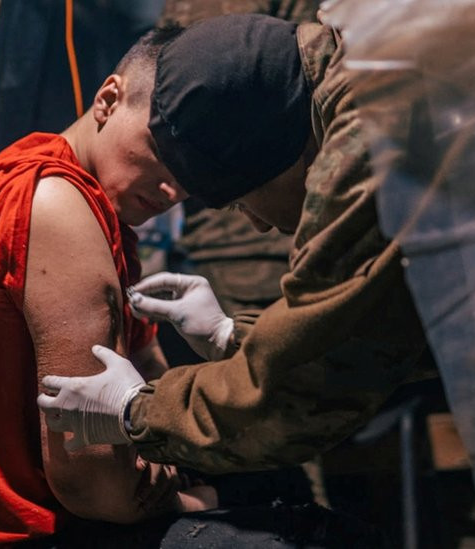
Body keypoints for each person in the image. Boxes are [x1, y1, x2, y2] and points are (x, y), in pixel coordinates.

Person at [38, 14, 434, 473]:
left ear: (273, 158)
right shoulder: (367, 66)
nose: (261, 226)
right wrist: (235, 337)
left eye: (241, 202)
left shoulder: (367, 132)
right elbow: (372, 336)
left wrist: (135, 410)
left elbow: (301, 393)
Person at [0, 27, 218, 547]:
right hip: (9, 534)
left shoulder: (90, 199)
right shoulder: (58, 204)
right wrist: (197, 499)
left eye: (191, 173)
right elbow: (91, 483)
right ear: (108, 99)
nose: (173, 188)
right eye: (162, 149)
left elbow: (148, 367)